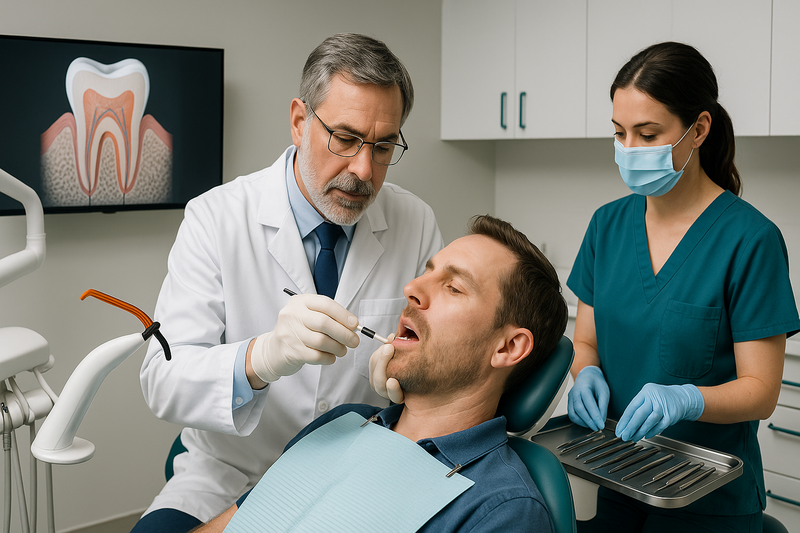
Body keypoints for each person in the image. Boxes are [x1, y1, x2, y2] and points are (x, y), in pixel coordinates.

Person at [133, 33, 442, 531]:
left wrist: (409, 373)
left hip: (356, 476)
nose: (363, 170)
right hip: (230, 476)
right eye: (345, 139)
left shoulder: (416, 220)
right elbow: (162, 380)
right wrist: (261, 358)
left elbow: (436, 355)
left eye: (384, 146)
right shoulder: (215, 218)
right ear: (300, 121)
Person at [193, 214, 568, 533]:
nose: (411, 289)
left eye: (453, 287)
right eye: (425, 272)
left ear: (508, 347)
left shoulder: (501, 508)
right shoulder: (344, 422)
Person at [566, 41, 800, 532]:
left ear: (698, 129)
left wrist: (688, 398)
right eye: (619, 133)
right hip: (619, 475)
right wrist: (585, 373)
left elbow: (761, 392)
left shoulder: (750, 240)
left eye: (648, 134)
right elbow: (586, 341)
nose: (629, 149)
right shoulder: (606, 226)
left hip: (709, 496)